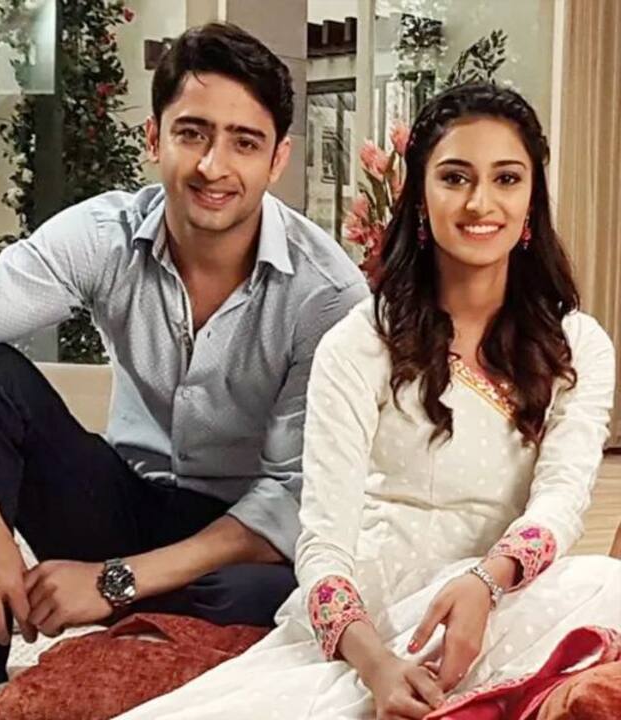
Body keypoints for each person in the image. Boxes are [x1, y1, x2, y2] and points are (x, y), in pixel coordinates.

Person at [108, 83, 621, 720]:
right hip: (377, 617)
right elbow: (322, 543)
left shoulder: (577, 346)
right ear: (420, 196)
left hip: (502, 602)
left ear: (532, 199)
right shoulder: (361, 342)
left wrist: (487, 582)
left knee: (607, 584)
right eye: (455, 177)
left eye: (507, 179)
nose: (480, 203)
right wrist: (376, 665)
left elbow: (560, 502)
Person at [0, 22, 368, 720]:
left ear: (278, 160)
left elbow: (292, 497)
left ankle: (135, 635)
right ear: (154, 139)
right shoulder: (106, 235)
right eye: (192, 133)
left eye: (244, 142)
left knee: (263, 598)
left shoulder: (326, 295)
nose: (213, 166)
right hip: (121, 499)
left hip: (236, 542)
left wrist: (111, 582)